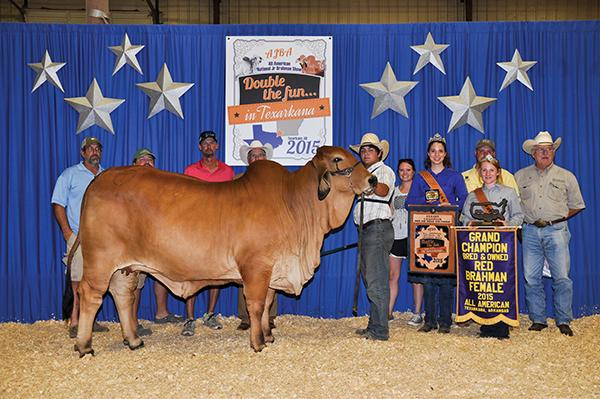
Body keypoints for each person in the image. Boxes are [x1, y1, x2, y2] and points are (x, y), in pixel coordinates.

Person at [515, 131, 585, 336]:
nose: (545, 153)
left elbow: (577, 205)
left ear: (554, 152)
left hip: (556, 230)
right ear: (533, 153)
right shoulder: (520, 176)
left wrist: (560, 217)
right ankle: (538, 319)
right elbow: (515, 205)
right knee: (531, 276)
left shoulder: (566, 176)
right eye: (541, 150)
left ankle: (563, 319)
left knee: (562, 277)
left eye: (549, 149)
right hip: (529, 230)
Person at [406, 133, 468, 334]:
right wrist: (429, 204)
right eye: (433, 151)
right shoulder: (420, 177)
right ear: (428, 154)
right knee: (428, 275)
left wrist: (452, 205)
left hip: (448, 231)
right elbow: (409, 203)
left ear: (445, 154)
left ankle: (445, 322)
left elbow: (465, 201)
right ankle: (430, 320)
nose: (437, 154)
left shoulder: (455, 176)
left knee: (446, 278)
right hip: (425, 232)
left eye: (440, 151)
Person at [51, 137, 109, 338]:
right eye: (90, 149)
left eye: (97, 148)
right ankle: (75, 321)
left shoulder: (106, 176)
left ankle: (89, 319)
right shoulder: (70, 174)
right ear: (83, 153)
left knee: (95, 279)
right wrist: (67, 232)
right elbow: (58, 203)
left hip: (101, 238)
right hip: (78, 236)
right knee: (76, 279)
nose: (94, 152)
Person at [461, 154, 523, 339]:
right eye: (484, 170)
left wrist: (507, 225)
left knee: (501, 282)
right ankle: (485, 324)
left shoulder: (509, 193)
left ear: (498, 172)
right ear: (480, 173)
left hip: (502, 245)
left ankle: (502, 325)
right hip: (479, 247)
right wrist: (469, 224)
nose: (488, 174)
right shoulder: (473, 195)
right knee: (483, 284)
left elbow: (519, 216)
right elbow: (464, 217)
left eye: (491, 170)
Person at [181, 130, 235, 336]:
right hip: (195, 228)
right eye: (205, 144)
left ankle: (210, 313)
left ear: (217, 146)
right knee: (191, 271)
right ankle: (189, 318)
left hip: (220, 227)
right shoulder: (190, 170)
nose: (208, 147)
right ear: (200, 147)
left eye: (212, 143)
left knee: (217, 272)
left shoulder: (227, 171)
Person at [130, 148, 184, 337]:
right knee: (135, 281)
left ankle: (162, 313)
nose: (146, 162)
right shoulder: (128, 185)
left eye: (150, 160)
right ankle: (133, 323)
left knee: (163, 274)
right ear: (134, 164)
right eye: (142, 159)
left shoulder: (161, 184)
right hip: (136, 240)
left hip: (159, 238)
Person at [350, 133, 395, 341]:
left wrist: (368, 180)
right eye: (363, 150)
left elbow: (384, 191)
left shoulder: (384, 171)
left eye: (370, 150)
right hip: (366, 230)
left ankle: (381, 330)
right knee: (370, 280)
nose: (366, 153)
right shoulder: (362, 173)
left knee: (376, 280)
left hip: (377, 228)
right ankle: (374, 324)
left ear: (379, 153)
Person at [235, 140, 278, 331]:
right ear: (248, 160)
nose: (257, 158)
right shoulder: (238, 179)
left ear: (266, 158)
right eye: (253, 156)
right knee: (242, 274)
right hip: (244, 233)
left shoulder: (277, 181)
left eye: (260, 155)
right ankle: (246, 317)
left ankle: (269, 317)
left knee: (271, 274)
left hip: (269, 233)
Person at [388, 158, 424, 326]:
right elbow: (390, 212)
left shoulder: (420, 191)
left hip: (414, 236)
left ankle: (417, 313)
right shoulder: (393, 191)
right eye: (401, 170)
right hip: (396, 236)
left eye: (408, 170)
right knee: (393, 276)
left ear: (414, 172)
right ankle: (388, 312)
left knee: (416, 277)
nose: (405, 173)